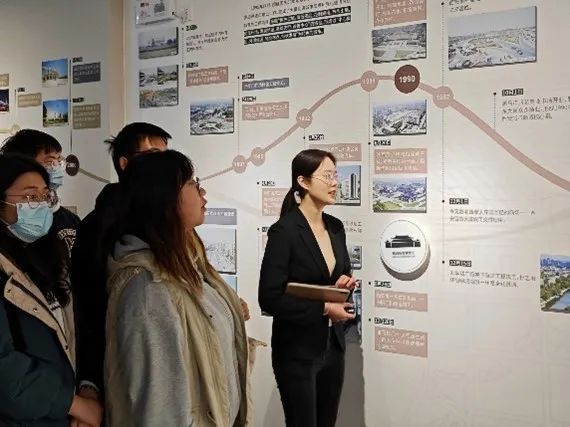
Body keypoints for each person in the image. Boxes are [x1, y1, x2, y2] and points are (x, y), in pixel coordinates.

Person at [104, 150, 251, 426]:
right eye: (193, 183)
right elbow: (158, 409)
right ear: (165, 198)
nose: (202, 193)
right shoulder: (148, 289)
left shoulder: (188, 263)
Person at [0, 154, 102, 427]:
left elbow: (78, 329)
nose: (41, 205)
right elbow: (5, 366)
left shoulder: (54, 259)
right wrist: (73, 404)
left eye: (45, 196)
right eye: (30, 196)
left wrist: (88, 387)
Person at [71, 122, 170, 401]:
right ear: (125, 164)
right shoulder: (100, 225)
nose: (163, 166)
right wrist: (90, 381)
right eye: (152, 156)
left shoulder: (162, 219)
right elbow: (88, 304)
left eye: (166, 156)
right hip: (120, 363)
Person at [259, 149, 356, 427]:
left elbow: (339, 277)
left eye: (335, 175)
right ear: (303, 181)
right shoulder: (284, 231)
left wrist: (341, 286)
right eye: (327, 176)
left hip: (332, 347)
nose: (335, 183)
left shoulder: (335, 227)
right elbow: (269, 298)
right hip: (296, 351)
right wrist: (324, 307)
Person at [1, 129, 81, 258]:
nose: (57, 168)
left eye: (58, 161)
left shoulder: (70, 219)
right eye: (49, 162)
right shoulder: (21, 229)